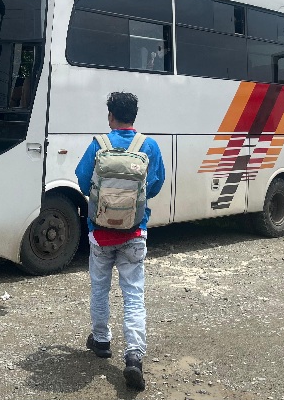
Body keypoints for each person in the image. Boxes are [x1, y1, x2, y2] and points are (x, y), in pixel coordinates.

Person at [75, 91, 166, 391]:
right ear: (134, 116)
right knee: (133, 296)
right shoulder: (148, 146)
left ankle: (101, 341)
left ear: (110, 116)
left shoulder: (99, 144)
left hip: (100, 233)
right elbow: (155, 184)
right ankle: (134, 358)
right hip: (134, 233)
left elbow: (82, 178)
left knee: (100, 289)